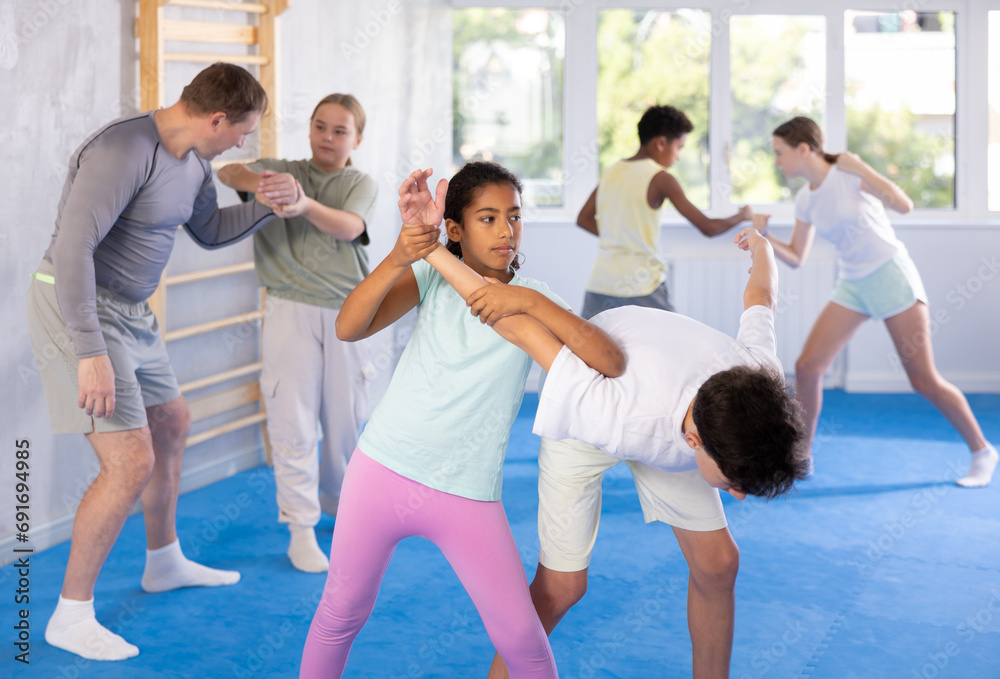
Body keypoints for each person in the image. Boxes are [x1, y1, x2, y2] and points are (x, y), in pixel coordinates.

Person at [423, 221, 809, 679]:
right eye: (733, 484)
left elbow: (760, 296)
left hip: (668, 398)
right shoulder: (612, 411)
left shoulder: (756, 375)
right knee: (562, 587)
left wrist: (762, 248)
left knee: (719, 563)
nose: (738, 496)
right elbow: (522, 328)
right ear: (695, 442)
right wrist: (434, 251)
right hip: (595, 413)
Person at [298, 162, 625, 678]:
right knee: (340, 615)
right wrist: (401, 253)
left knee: (522, 639)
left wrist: (534, 301)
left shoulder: (535, 297)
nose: (505, 231)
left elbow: (609, 361)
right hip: (383, 469)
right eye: (488, 218)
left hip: (467, 492)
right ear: (455, 229)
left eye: (514, 217)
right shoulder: (432, 274)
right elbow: (349, 326)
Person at [25, 63, 290, 661]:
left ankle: (164, 561)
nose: (242, 145)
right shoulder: (124, 148)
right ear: (217, 118)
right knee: (129, 461)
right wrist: (89, 350)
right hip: (77, 305)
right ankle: (69, 616)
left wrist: (269, 206)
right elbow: (73, 251)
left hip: (133, 312)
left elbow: (210, 230)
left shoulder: (195, 159)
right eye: (242, 131)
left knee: (171, 425)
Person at [765, 116, 997, 487]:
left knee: (923, 379)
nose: (776, 161)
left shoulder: (848, 174)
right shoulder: (805, 198)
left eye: (780, 152)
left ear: (803, 149)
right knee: (807, 366)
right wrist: (762, 235)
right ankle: (803, 455)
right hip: (853, 284)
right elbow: (796, 256)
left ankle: (983, 450)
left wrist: (860, 167)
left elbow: (903, 205)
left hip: (890, 274)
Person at [217, 94, 379, 573]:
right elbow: (228, 173)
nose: (327, 138)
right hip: (288, 308)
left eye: (339, 131)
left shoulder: (358, 182)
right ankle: (300, 528)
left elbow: (350, 228)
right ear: (308, 129)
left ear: (357, 139)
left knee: (346, 419)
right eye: (319, 127)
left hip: (349, 312)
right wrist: (262, 183)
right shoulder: (282, 170)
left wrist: (304, 204)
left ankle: (338, 498)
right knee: (293, 418)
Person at [576, 104, 753, 319]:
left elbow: (583, 219)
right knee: (673, 348)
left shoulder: (611, 171)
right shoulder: (661, 178)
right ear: (661, 143)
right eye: (679, 147)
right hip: (641, 287)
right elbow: (709, 228)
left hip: (601, 284)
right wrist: (743, 215)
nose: (678, 156)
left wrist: (619, 237)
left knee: (587, 350)